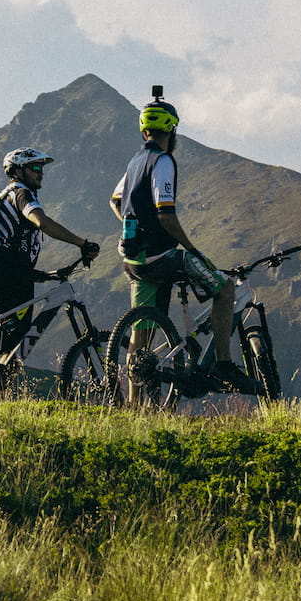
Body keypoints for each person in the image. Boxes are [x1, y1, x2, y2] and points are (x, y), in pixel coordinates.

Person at [109, 89, 244, 383]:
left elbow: (115, 200)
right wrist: (193, 249)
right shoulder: (163, 161)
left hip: (134, 258)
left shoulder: (134, 163)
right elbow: (166, 215)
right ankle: (224, 366)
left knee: (141, 330)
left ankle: (134, 406)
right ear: (171, 128)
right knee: (225, 290)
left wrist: (135, 224)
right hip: (162, 256)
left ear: (144, 129)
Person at [0, 147, 100, 358]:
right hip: (9, 282)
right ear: (18, 172)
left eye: (42, 168)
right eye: (35, 167)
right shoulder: (21, 194)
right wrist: (81, 243)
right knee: (10, 345)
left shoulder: (5, 196)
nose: (41, 172)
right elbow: (42, 222)